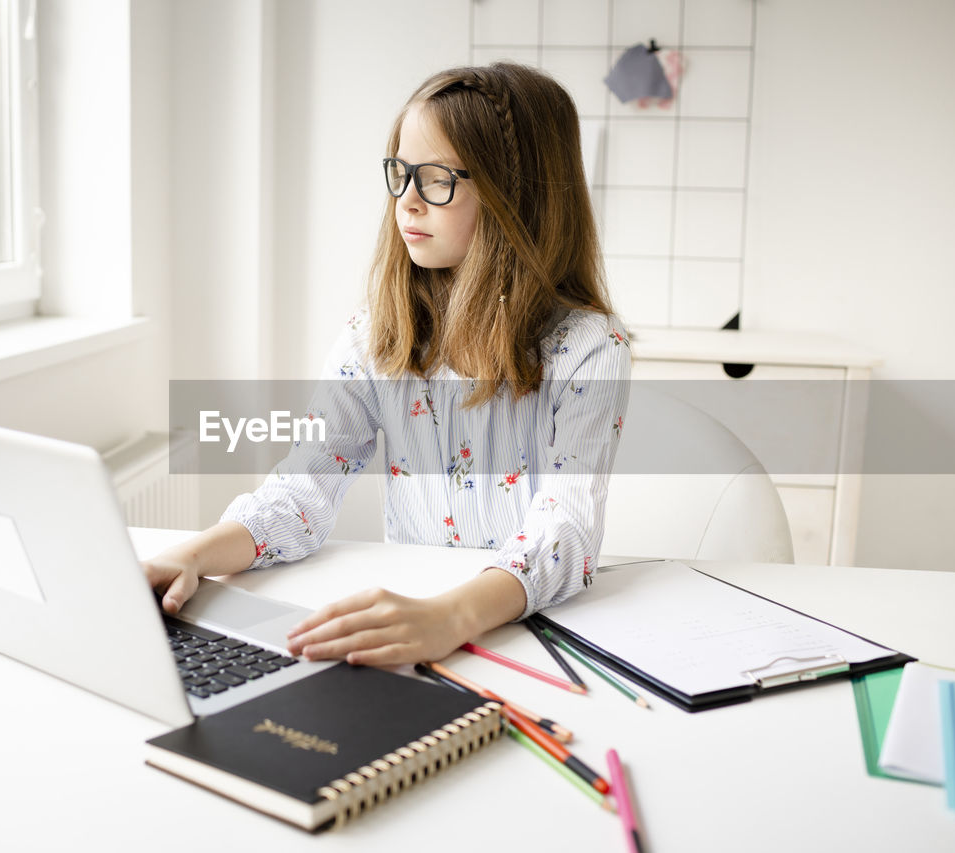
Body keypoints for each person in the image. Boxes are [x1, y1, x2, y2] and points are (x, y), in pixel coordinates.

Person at [143, 62, 631, 667]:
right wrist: (192, 554)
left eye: (435, 179)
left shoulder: (588, 348)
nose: (406, 201)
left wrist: (449, 617)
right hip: (410, 624)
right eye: (400, 174)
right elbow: (303, 489)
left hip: (523, 632)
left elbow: (567, 532)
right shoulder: (375, 335)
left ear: (518, 196)